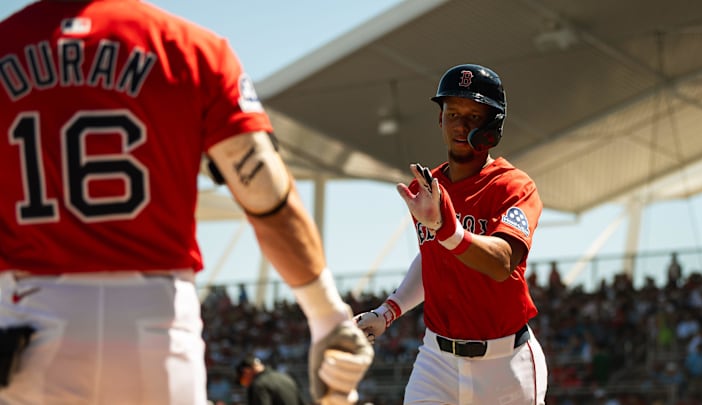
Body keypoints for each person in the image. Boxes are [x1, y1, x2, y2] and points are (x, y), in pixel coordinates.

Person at [0, 1, 372, 404]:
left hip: (30, 319)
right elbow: (268, 201)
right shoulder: (192, 48)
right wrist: (326, 314)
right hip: (157, 322)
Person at [354, 64, 548, 404]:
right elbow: (433, 258)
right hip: (437, 360)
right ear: (440, 119)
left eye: (474, 115)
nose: (461, 125)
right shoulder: (427, 188)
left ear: (493, 126)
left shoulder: (514, 186)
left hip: (505, 365)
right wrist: (388, 312)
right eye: (453, 113)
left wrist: (447, 229)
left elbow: (502, 261)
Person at [236, 354, 308, 405]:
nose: (245, 385)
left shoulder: (258, 385)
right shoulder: (286, 377)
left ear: (246, 372)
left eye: (243, 382)